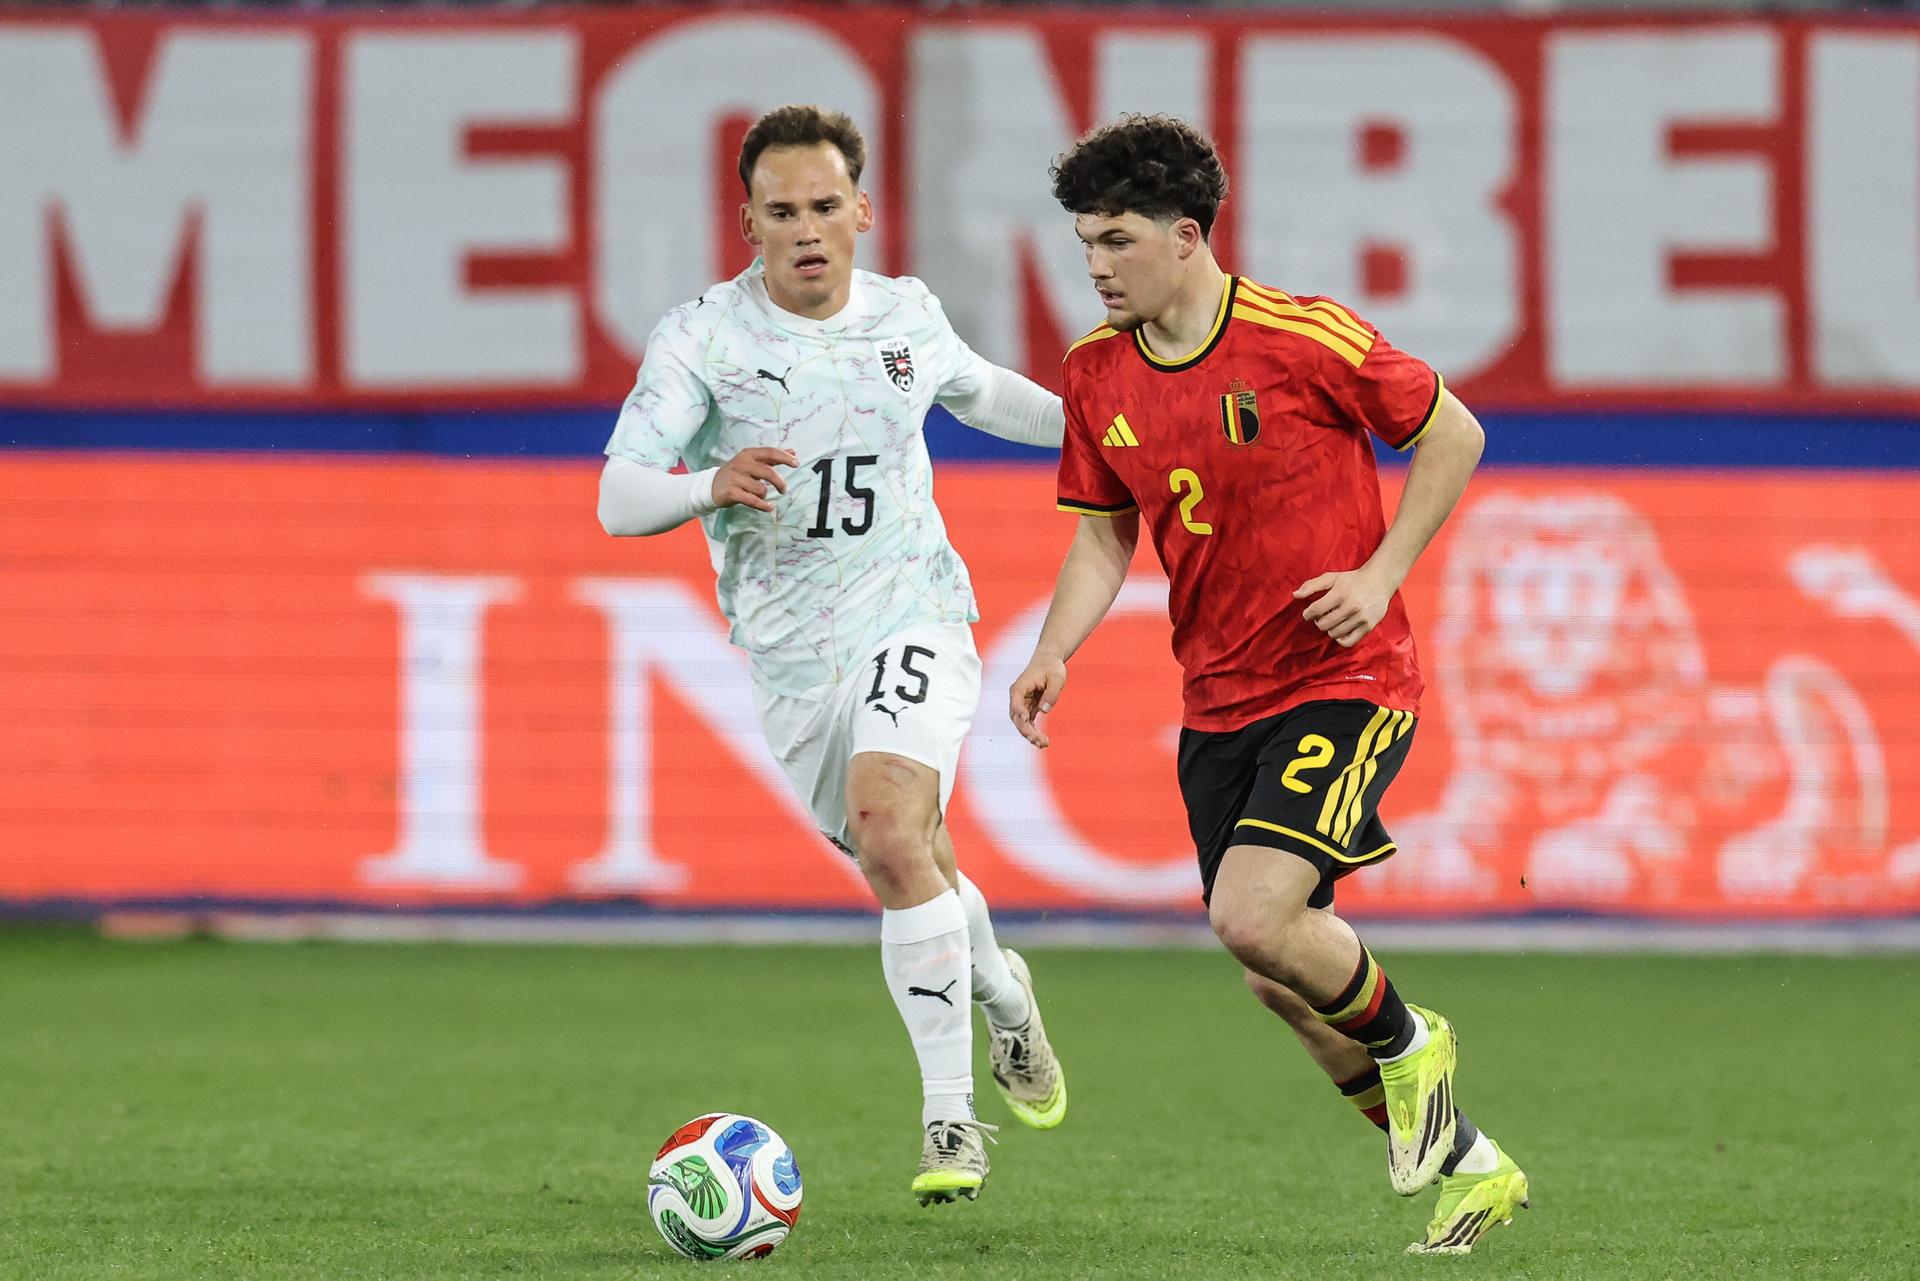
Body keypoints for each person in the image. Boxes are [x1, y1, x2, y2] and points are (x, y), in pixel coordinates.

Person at [1008, 115, 1528, 1255]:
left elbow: (1454, 432)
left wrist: (1382, 569)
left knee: (1256, 915)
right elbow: (1106, 537)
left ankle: (1413, 1045)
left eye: (1116, 240)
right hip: (1218, 701)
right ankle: (1473, 1166)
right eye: (1084, 242)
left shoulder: (1302, 337)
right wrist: (1054, 652)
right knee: (1278, 975)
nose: (1094, 264)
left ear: (1187, 237)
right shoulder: (1097, 374)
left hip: (1348, 677)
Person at [600, 104, 1067, 1206]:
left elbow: (982, 393)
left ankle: (950, 1123)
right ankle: (1005, 994)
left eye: (824, 207)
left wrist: (1116, 422)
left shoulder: (905, 315)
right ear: (748, 222)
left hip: (914, 610)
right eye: (781, 212)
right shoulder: (703, 340)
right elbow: (620, 498)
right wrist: (708, 481)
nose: (806, 230)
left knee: (894, 824)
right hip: (793, 658)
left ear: (862, 209)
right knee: (911, 862)